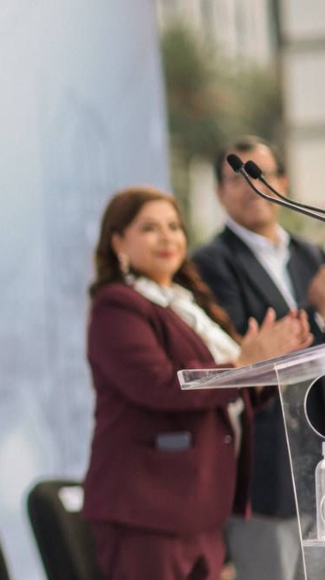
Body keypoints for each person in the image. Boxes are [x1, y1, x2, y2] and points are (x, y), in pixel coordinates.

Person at [83, 186, 311, 580]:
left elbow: (230, 388)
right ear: (118, 241)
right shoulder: (117, 305)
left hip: (201, 504)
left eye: (174, 226)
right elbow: (159, 385)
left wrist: (269, 367)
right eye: (149, 228)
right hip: (149, 507)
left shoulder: (187, 304)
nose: (167, 237)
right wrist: (244, 363)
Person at [193, 136, 324, 580]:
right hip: (267, 468)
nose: (251, 186)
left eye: (260, 174)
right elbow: (247, 348)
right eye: (236, 178)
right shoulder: (210, 262)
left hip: (318, 458)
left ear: (283, 182)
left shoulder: (310, 253)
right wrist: (316, 312)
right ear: (219, 193)